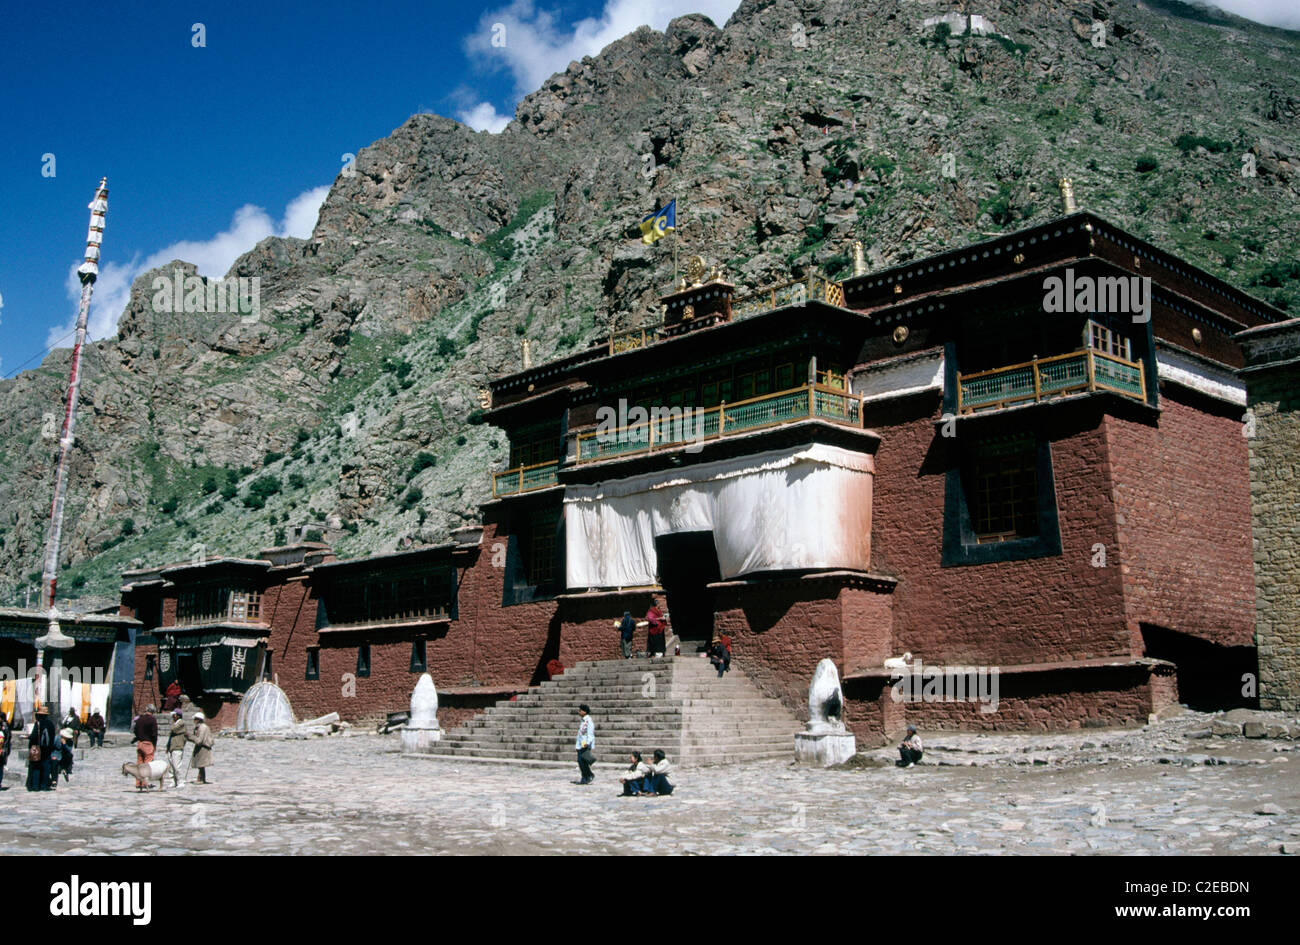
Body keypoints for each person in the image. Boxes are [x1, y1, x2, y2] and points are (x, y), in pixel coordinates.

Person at [26, 706, 56, 792]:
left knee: (36, 767)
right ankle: (44, 785)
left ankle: (35, 786)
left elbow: (34, 736)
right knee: (46, 767)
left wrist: (28, 737)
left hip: (37, 749)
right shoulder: (51, 724)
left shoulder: (38, 724)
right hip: (47, 749)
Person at [133, 704, 158, 789]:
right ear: (153, 711)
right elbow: (154, 734)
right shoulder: (152, 720)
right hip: (148, 743)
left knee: (139, 764)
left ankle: (138, 782)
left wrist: (139, 737)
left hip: (140, 743)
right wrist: (154, 745)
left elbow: (135, 730)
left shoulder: (140, 719)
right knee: (147, 765)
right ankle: (144, 783)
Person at [188, 711, 214, 784]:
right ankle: (201, 778)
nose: (194, 721)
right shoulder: (198, 727)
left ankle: (200, 779)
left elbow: (199, 740)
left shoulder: (203, 728)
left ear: (199, 719)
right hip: (200, 747)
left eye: (195, 719)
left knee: (201, 764)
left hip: (204, 747)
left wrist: (190, 737)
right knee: (200, 765)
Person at [166, 709, 188, 788]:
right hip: (171, 747)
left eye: (174, 715)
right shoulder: (175, 723)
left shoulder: (181, 723)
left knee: (177, 766)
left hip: (177, 747)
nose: (172, 717)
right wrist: (167, 747)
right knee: (171, 766)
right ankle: (173, 781)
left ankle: (180, 781)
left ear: (178, 716)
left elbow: (173, 729)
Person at [574, 704, 596, 785]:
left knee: (582, 761)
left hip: (585, 744)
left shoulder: (588, 721)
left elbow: (590, 733)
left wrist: (587, 743)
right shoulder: (583, 720)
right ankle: (585, 777)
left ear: (584, 711)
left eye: (580, 710)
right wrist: (577, 745)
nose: (579, 712)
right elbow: (580, 734)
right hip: (581, 744)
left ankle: (588, 775)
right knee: (581, 761)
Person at [0, 712, 11, 790]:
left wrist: (3, 748)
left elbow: (6, 740)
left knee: (0, 767)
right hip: (3, 749)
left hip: (2, 749)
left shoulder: (4, 727)